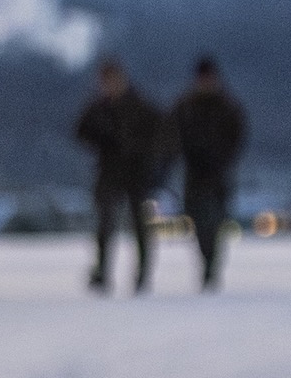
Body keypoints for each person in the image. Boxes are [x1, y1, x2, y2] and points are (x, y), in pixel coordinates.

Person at [75, 56, 170, 292]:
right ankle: (103, 272)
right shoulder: (99, 108)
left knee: (139, 225)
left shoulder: (140, 106)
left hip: (137, 173)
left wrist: (147, 158)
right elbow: (80, 130)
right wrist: (102, 138)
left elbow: (162, 135)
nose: (108, 86)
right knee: (105, 224)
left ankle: (142, 275)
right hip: (109, 172)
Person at [169, 56, 249, 286]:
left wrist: (224, 157)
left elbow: (238, 135)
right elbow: (171, 134)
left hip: (218, 173)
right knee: (196, 219)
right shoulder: (185, 105)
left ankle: (211, 266)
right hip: (194, 173)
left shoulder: (227, 106)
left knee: (215, 221)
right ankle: (207, 261)